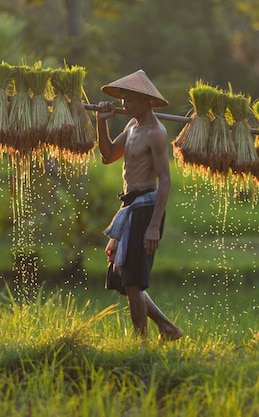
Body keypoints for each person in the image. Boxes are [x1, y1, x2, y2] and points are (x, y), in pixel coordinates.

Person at [96, 69, 183, 341]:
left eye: (129, 100)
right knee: (125, 279)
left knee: (134, 282)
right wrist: (101, 122)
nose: (124, 106)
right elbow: (109, 155)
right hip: (129, 206)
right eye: (122, 100)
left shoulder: (156, 133)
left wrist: (154, 227)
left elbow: (165, 181)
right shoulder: (131, 127)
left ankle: (140, 344)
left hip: (145, 208)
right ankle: (167, 328)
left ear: (144, 101)